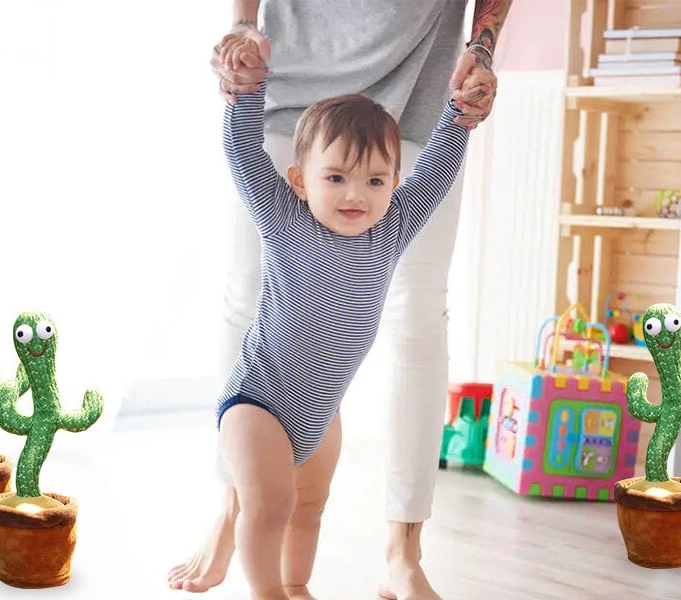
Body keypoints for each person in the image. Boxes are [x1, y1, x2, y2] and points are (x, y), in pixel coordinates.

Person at [169, 2, 510, 598]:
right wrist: (244, 91)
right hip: (258, 407)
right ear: (300, 179)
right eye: (336, 179)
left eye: (377, 181)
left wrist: (459, 117)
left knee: (309, 510)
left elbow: (435, 170)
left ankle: (297, 586)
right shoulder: (283, 218)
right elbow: (245, 156)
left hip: (320, 413)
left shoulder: (393, 227)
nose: (357, 194)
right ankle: (267, 591)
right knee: (270, 507)